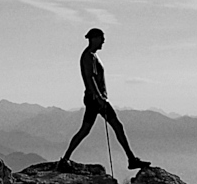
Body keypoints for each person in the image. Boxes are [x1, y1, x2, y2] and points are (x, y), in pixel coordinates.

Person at [60, 27, 150, 169]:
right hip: (96, 99)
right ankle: (131, 159)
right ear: (94, 38)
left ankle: (65, 159)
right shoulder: (88, 56)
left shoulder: (91, 55)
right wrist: (99, 97)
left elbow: (91, 79)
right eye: (102, 38)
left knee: (86, 130)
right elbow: (90, 79)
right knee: (116, 126)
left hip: (94, 98)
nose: (103, 41)